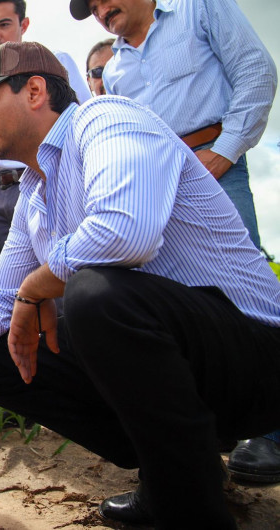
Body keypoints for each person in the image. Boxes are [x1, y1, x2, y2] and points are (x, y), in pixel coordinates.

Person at [0, 41, 280, 528]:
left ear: (35, 92)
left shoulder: (106, 119)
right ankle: (174, 469)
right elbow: (1, 295)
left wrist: (36, 288)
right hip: (181, 361)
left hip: (254, 357)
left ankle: (193, 511)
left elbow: (125, 232)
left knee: (94, 295)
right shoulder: (36, 189)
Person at [70, 0, 280, 489]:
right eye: (94, 7)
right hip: (154, 182)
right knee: (171, 300)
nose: (101, 10)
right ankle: (205, 433)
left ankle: (269, 430)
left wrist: (225, 153)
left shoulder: (198, 8)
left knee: (242, 289)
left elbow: (255, 72)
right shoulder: (116, 69)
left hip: (215, 165)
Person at [0, 0, 91, 270]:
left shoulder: (54, 63)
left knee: (65, 279)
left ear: (23, 24)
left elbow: (82, 119)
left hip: (47, 179)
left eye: (4, 24)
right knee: (6, 286)